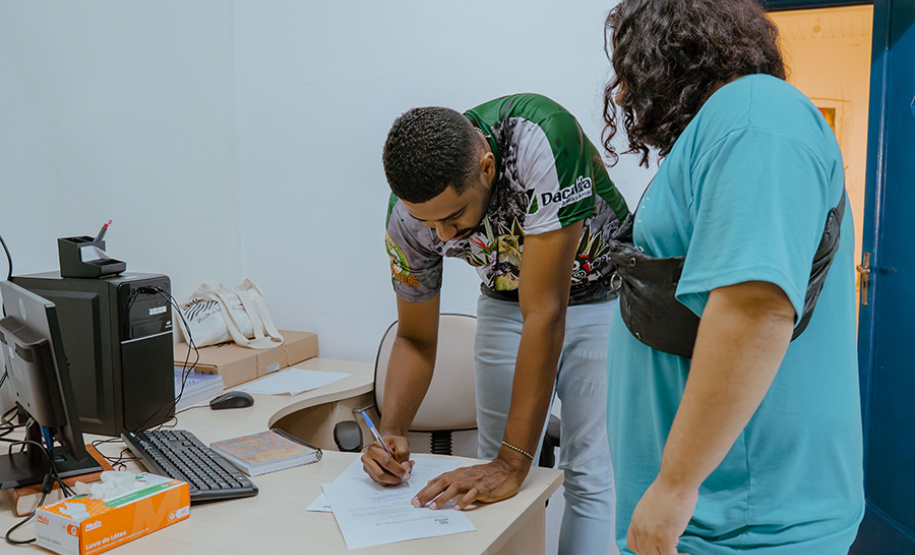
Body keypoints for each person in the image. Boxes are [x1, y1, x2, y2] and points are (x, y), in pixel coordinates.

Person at [600, 1, 864, 554]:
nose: (623, 94)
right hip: (714, 521)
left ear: (666, 51)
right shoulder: (732, 126)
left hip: (740, 526)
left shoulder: (755, 115)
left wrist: (674, 488)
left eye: (628, 69)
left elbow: (754, 308)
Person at [365, 93, 629, 555]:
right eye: (431, 225)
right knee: (486, 472)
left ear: (487, 169)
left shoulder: (542, 139)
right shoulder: (408, 219)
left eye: (453, 217)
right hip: (506, 296)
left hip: (602, 291)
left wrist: (514, 461)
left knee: (586, 470)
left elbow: (545, 313)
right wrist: (394, 431)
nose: (444, 236)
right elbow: (415, 337)